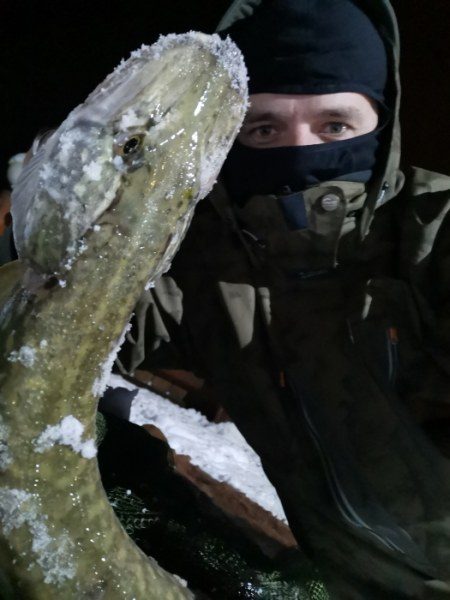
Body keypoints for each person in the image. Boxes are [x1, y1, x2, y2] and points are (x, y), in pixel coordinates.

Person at [116, 0, 450, 597]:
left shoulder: (431, 238)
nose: (300, 152)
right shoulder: (201, 268)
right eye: (264, 129)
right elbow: (73, 329)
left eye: (335, 126)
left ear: (383, 124)